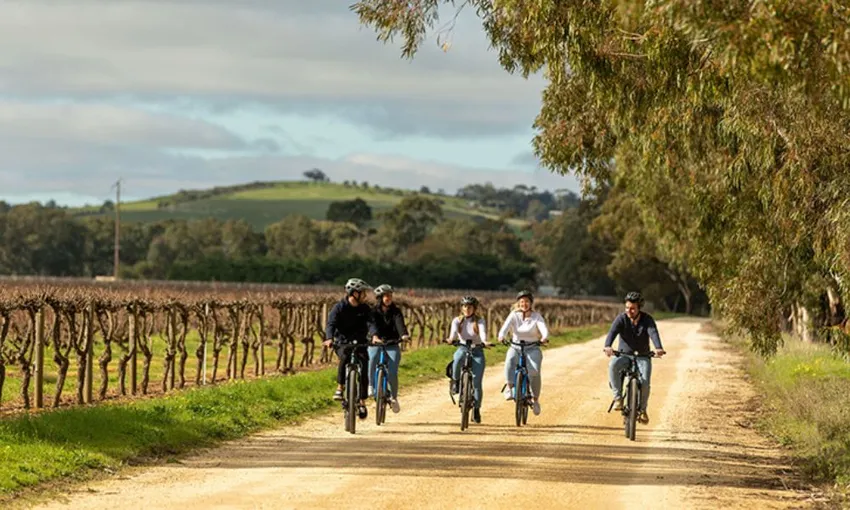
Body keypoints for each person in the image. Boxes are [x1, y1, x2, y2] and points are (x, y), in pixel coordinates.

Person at [603, 291, 666, 424]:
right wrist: (607, 346)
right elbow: (612, 332)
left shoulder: (647, 319)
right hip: (624, 355)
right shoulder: (621, 319)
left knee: (644, 382)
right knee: (613, 365)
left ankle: (642, 410)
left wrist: (658, 348)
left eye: (632, 308)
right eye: (627, 308)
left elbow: (653, 332)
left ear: (639, 308)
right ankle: (618, 398)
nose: (629, 311)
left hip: (643, 356)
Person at [323, 277, 381, 421]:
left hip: (360, 341)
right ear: (354, 293)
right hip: (343, 342)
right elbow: (331, 324)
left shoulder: (365, 309)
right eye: (363, 292)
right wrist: (329, 338)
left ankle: (362, 401)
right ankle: (340, 387)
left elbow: (371, 323)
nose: (365, 295)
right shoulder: (339, 307)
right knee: (345, 357)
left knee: (364, 365)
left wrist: (374, 335)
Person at [497, 290, 549, 415]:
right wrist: (501, 336)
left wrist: (544, 338)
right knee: (510, 360)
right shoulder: (513, 315)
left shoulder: (536, 316)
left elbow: (544, 329)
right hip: (516, 346)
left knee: (535, 371)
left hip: (532, 347)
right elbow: (505, 328)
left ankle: (535, 400)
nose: (524, 304)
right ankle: (510, 387)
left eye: (526, 301)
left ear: (530, 303)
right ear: (518, 303)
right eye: (521, 302)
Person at [445, 296, 491, 424]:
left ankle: (476, 409)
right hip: (463, 347)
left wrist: (484, 341)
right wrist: (450, 339)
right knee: (457, 359)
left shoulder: (479, 321)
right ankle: (456, 382)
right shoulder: (457, 321)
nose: (467, 309)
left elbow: (482, 333)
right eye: (465, 306)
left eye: (470, 307)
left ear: (474, 309)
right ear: (462, 308)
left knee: (477, 382)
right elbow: (453, 333)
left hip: (477, 350)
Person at [368, 284, 410, 414]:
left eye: (390, 296)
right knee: (372, 358)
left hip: (392, 343)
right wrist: (374, 336)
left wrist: (403, 335)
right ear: (380, 298)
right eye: (386, 296)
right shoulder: (373, 311)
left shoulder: (396, 311)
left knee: (392, 371)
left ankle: (394, 398)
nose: (389, 298)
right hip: (376, 342)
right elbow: (372, 324)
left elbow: (400, 324)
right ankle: (370, 385)